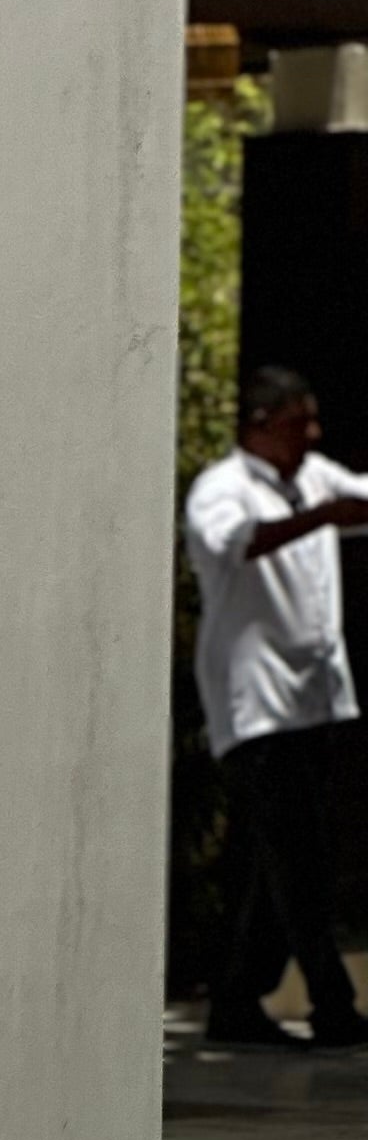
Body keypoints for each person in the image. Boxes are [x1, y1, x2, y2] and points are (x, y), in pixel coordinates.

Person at [185, 362, 368, 1048]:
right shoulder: (223, 489)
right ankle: (333, 1004)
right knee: (298, 862)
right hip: (256, 704)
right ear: (260, 426)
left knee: (278, 861)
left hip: (314, 697)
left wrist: (329, 507)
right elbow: (233, 543)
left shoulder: (314, 476)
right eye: (299, 423)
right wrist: (320, 517)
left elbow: (357, 500)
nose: (312, 436)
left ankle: (235, 1000)